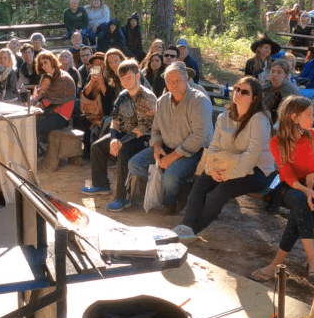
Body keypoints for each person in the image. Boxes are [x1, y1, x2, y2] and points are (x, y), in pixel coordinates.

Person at [171, 77, 275, 241]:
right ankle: (186, 225)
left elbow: (251, 155)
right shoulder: (224, 117)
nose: (239, 93)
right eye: (237, 89)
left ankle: (193, 230)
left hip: (256, 171)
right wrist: (211, 168)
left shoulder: (259, 120)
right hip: (225, 165)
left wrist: (228, 175)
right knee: (201, 182)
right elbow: (213, 148)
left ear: (254, 98)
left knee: (222, 190)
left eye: (245, 91)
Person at [249, 95, 314, 283]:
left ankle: (276, 262)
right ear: (294, 117)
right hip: (288, 186)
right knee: (301, 200)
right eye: (308, 114)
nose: (313, 118)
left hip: (313, 184)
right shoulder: (277, 142)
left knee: (299, 209)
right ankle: (313, 259)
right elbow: (286, 174)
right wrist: (304, 190)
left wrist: (312, 179)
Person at [128, 61, 213, 214]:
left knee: (170, 177)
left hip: (193, 151)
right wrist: (157, 147)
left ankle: (170, 203)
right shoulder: (162, 101)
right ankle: (179, 190)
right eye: (169, 81)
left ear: (187, 79)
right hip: (167, 146)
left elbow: (199, 137)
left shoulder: (199, 100)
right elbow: (155, 130)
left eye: (178, 80)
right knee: (134, 164)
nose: (173, 84)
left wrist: (172, 157)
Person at [80, 59, 157, 212]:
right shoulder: (123, 95)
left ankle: (122, 198)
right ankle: (101, 184)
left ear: (138, 77)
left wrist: (120, 142)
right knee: (97, 146)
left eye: (129, 77)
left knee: (123, 152)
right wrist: (114, 138)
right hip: (124, 134)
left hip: (143, 139)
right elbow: (115, 120)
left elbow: (143, 128)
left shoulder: (147, 97)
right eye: (122, 78)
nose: (125, 81)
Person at [32, 51, 76, 142]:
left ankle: (35, 154)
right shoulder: (51, 75)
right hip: (52, 112)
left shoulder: (62, 78)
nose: (43, 66)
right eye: (41, 64)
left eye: (45, 62)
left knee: (32, 126)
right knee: (30, 122)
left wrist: (35, 106)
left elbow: (47, 101)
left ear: (52, 61)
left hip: (61, 116)